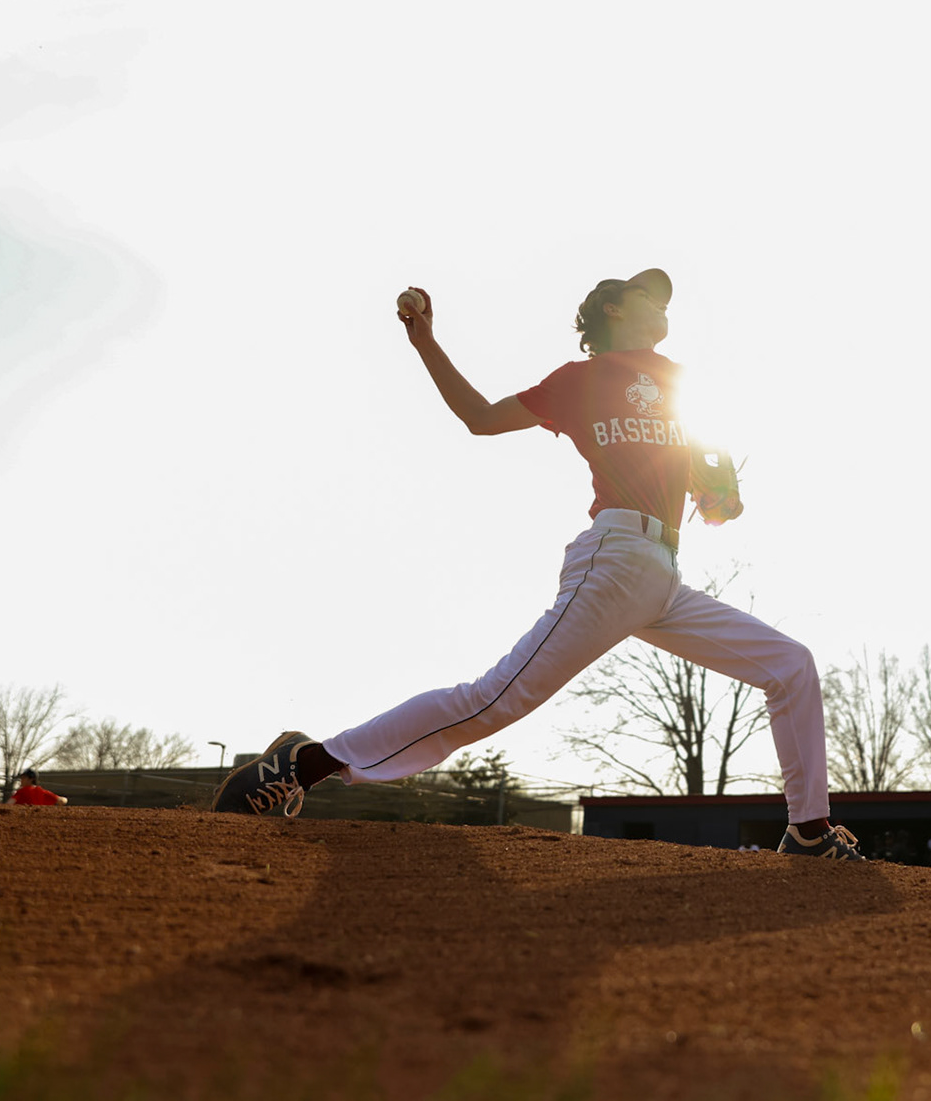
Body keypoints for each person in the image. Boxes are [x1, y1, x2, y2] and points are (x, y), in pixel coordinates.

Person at [210, 269, 862, 860]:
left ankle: (808, 831)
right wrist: (425, 342)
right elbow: (480, 418)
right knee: (492, 700)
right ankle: (301, 766)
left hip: (662, 576)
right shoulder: (578, 381)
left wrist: (718, 496)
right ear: (612, 306)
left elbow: (700, 484)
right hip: (615, 562)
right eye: (647, 294)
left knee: (790, 665)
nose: (662, 304)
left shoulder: (678, 383)